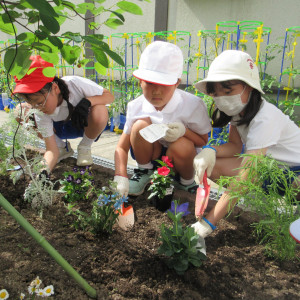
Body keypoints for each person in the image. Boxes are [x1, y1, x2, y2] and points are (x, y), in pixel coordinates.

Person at [191, 50, 300, 246]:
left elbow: (247, 174)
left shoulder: (264, 118)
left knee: (246, 180)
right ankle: (255, 200)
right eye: (215, 93)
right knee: (213, 167)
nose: (221, 98)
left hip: (294, 172)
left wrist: (209, 222)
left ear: (249, 87)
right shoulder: (239, 112)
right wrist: (210, 151)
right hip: (270, 168)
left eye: (228, 91)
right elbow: (234, 146)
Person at [113, 41, 211, 197]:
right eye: (150, 83)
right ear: (140, 81)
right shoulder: (136, 106)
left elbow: (203, 141)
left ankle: (185, 181)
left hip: (182, 159)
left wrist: (183, 131)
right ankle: (145, 171)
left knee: (182, 145)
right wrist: (120, 175)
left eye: (164, 84)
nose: (156, 91)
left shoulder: (193, 105)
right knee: (139, 126)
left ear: (176, 83)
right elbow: (121, 147)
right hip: (150, 154)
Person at [13, 55, 113, 172]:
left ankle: (85, 147)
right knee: (21, 111)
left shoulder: (74, 84)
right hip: (58, 129)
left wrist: (88, 102)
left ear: (55, 88)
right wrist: (44, 171)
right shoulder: (39, 109)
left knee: (100, 109)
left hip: (84, 125)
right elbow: (51, 150)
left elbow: (109, 96)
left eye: (40, 102)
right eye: (32, 104)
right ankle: (61, 148)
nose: (37, 108)